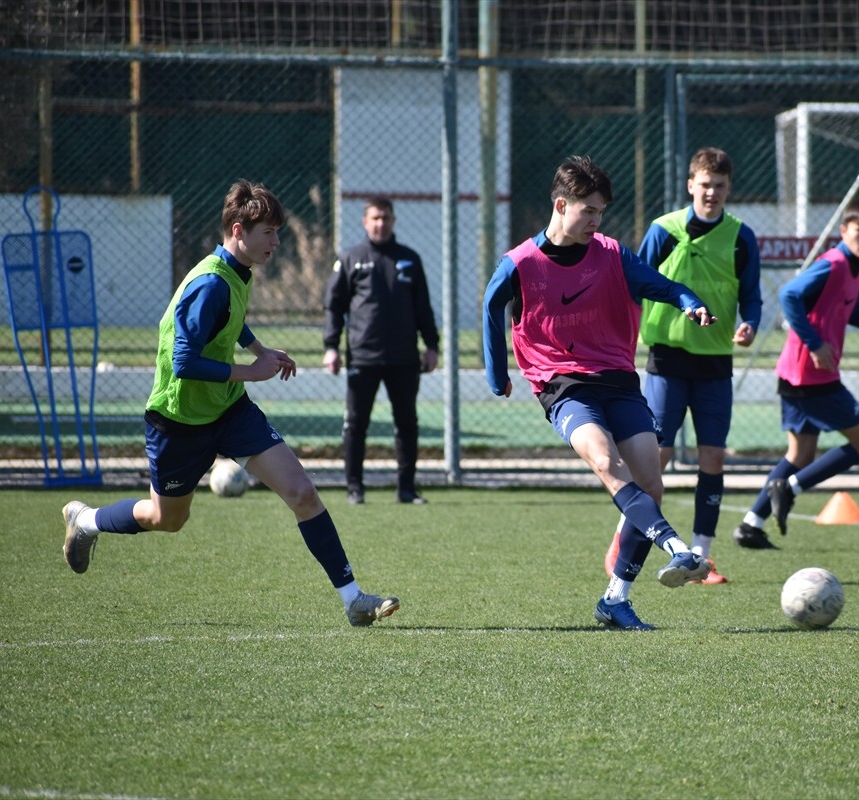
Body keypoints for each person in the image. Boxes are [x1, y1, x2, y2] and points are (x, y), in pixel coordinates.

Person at [61, 180, 399, 628]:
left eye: (278, 232)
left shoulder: (238, 270)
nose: (277, 242)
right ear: (238, 231)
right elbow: (183, 362)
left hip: (229, 410)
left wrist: (259, 350)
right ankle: (87, 520)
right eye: (269, 233)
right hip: (179, 420)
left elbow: (231, 321)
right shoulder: (209, 284)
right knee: (166, 518)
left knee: (301, 492)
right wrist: (251, 371)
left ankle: (353, 599)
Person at [483, 155, 716, 630]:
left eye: (601, 212)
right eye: (588, 210)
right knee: (607, 462)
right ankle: (677, 548)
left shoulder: (611, 254)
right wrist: (496, 372)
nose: (596, 221)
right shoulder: (521, 263)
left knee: (651, 483)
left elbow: (661, 285)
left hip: (617, 380)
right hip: (563, 384)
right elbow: (491, 305)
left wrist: (689, 301)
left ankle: (615, 600)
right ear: (560, 205)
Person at [604, 146, 762, 585]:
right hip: (667, 359)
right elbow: (634, 282)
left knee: (713, 456)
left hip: (716, 362)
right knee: (657, 456)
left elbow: (751, 294)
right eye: (705, 184)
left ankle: (702, 558)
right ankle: (622, 538)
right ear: (691, 185)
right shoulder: (664, 230)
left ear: (729, 189)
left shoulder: (741, 237)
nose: (712, 192)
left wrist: (749, 323)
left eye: (720, 185)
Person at [734, 199, 859, 548]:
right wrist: (816, 344)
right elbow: (789, 295)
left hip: (797, 376)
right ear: (844, 231)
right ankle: (790, 488)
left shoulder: (857, 268)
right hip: (811, 377)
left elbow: (855, 313)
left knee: (800, 454)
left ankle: (750, 525)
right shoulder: (834, 263)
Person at [323, 195, 440, 505]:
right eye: (375, 218)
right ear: (365, 222)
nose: (380, 223)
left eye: (385, 218)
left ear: (393, 220)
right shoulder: (351, 258)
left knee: (407, 423)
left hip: (404, 358)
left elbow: (423, 308)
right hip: (363, 357)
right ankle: (354, 489)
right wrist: (331, 347)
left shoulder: (410, 259)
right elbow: (334, 306)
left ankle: (406, 489)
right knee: (355, 424)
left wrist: (432, 346)